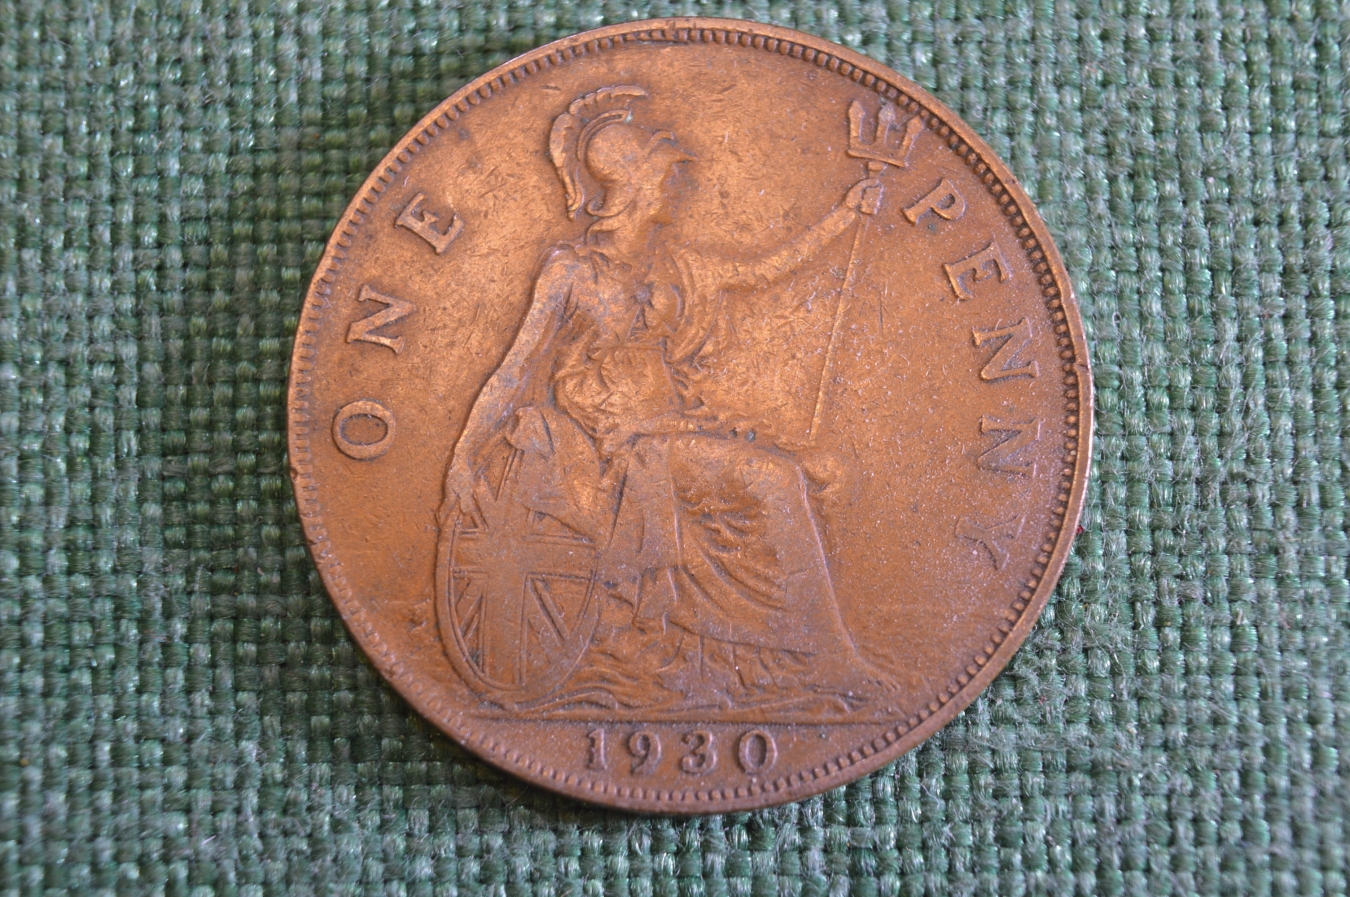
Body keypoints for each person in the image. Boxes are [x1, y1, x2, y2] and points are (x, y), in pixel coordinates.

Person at [440, 85, 890, 713]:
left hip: (677, 428)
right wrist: (464, 455)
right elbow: (515, 368)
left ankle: (757, 651)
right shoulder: (571, 271)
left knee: (815, 471)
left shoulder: (676, 265)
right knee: (774, 479)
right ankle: (826, 657)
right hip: (620, 448)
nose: (678, 187)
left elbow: (765, 270)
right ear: (635, 186)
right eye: (666, 176)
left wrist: (844, 215)